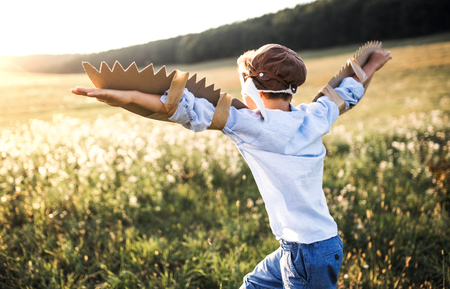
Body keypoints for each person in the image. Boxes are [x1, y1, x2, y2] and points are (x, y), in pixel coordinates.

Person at [71, 44, 391, 288]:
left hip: (306, 254)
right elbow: (347, 92)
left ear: (252, 84)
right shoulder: (314, 115)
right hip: (313, 245)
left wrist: (122, 96)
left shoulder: (252, 125)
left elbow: (179, 107)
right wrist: (373, 62)